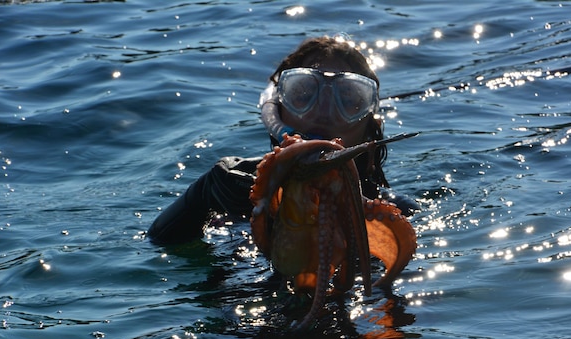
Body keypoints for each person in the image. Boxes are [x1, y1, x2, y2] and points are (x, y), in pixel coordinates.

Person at [148, 36, 418, 245]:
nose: (323, 112)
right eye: (303, 93)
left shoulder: (396, 214)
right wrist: (201, 197)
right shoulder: (234, 197)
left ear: (370, 128)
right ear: (275, 113)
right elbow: (157, 244)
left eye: (348, 100)